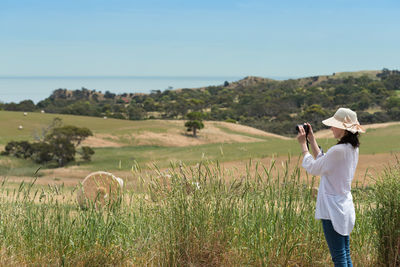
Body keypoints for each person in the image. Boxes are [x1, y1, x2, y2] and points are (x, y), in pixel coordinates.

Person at [296, 107, 365, 267]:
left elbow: (314, 168)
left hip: (332, 210)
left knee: (339, 258)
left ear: (343, 128)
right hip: (344, 208)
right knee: (345, 254)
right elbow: (324, 162)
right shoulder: (351, 148)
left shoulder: (338, 150)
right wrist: (312, 140)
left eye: (334, 125)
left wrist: (303, 146)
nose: (331, 127)